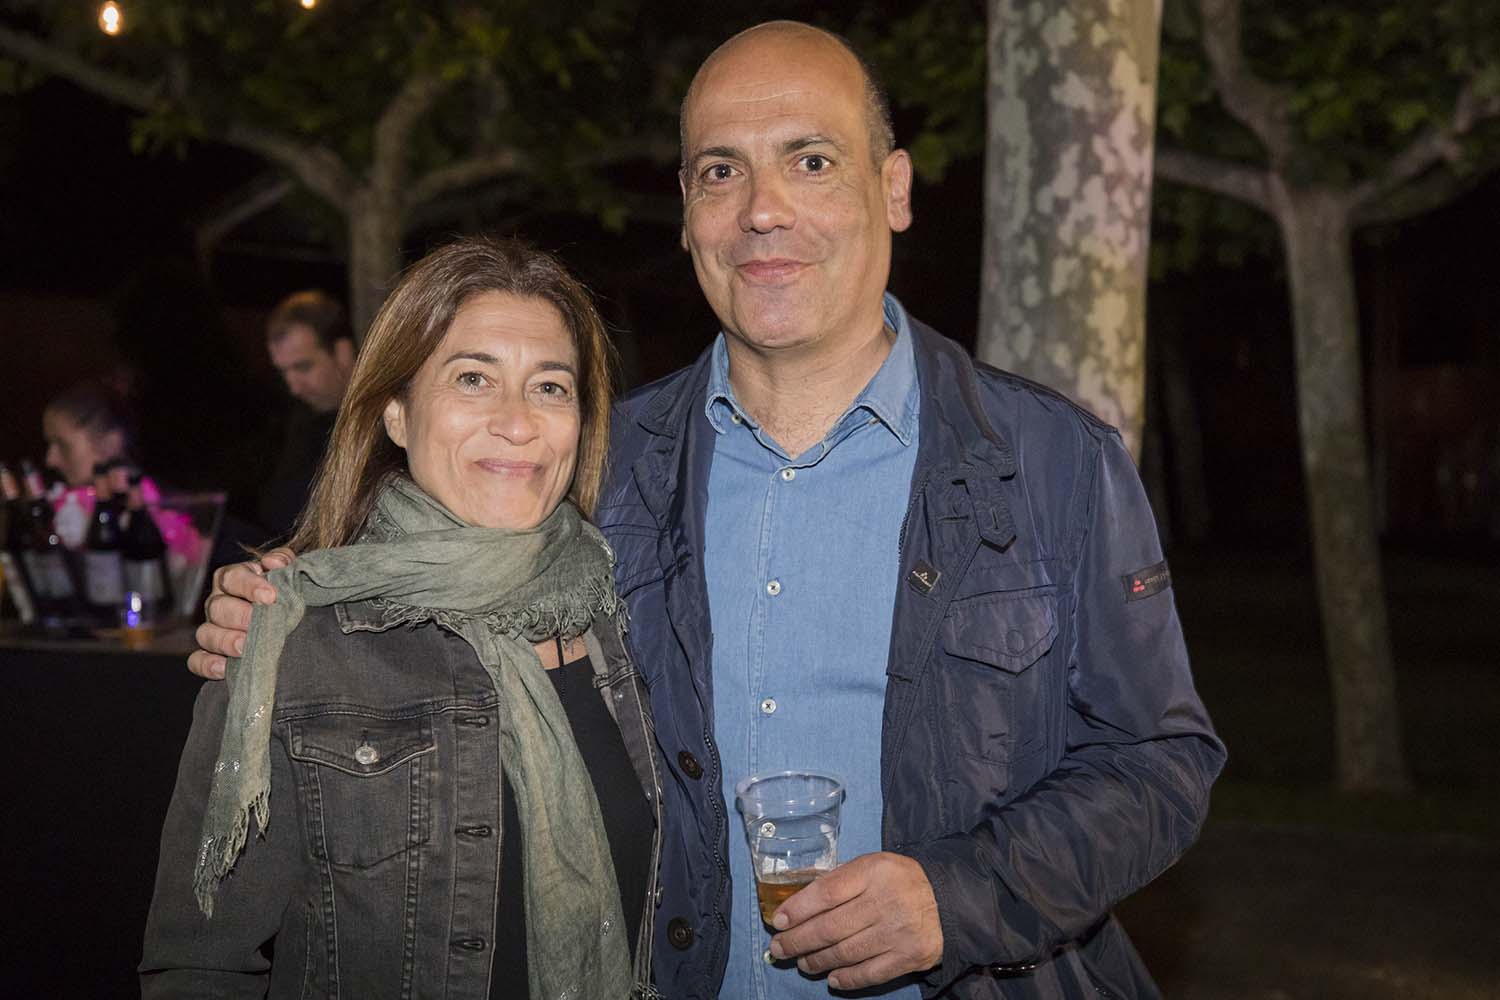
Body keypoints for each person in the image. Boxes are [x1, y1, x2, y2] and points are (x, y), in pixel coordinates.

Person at [192, 21, 1225, 999]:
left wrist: (958, 896)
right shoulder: (600, 467)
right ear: (688, 212)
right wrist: (293, 597)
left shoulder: (1051, 462)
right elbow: (439, 573)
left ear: (894, 188)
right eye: (721, 171)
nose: (762, 209)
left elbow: (1161, 760)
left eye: (810, 161)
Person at [143, 236, 662, 999]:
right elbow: (199, 964)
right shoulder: (292, 641)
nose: (518, 422)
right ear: (395, 411)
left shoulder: (636, 617)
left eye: (550, 387)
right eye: (474, 378)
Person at [258, 290, 359, 540]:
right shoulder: (300, 419)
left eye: (303, 367)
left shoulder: (383, 420)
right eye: (284, 372)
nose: (293, 387)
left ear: (343, 352)